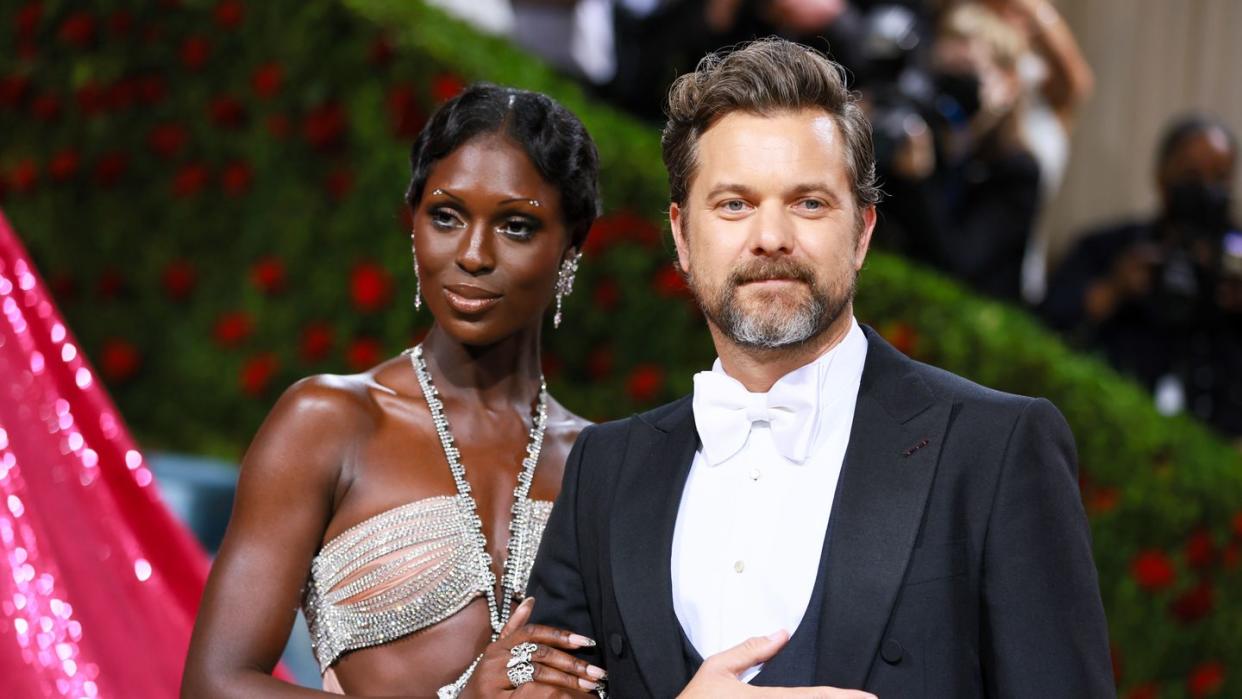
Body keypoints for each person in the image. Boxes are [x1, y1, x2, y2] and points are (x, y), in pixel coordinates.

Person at [523, 38, 1115, 697]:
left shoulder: (995, 449)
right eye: (734, 204)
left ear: (862, 232)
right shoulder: (603, 470)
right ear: (683, 237)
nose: (771, 235)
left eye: (808, 202)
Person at [182, 84, 609, 697]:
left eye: (516, 226)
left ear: (572, 243)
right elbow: (212, 685)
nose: (473, 254)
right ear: (413, 222)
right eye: (445, 216)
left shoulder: (598, 462)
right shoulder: (329, 421)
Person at [1042, 115, 1242, 438]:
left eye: (1219, 177)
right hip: (1114, 438)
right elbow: (1043, 326)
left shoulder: (1236, 263)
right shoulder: (1108, 248)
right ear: (1162, 175)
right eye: (1191, 175)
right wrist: (1111, 291)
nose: (1205, 190)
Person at [879, 2, 1042, 302]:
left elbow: (959, 264)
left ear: (1008, 84)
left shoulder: (1016, 170)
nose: (951, 92)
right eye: (944, 75)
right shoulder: (923, 140)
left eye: (967, 75)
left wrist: (920, 183)